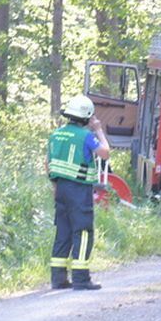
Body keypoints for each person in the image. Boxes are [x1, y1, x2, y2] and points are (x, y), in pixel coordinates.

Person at [46, 95, 111, 290]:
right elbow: (105, 153)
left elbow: (47, 163)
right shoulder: (86, 136)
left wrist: (55, 187)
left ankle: (58, 279)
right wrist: (98, 129)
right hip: (79, 190)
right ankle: (81, 279)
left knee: (63, 232)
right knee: (82, 232)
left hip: (60, 189)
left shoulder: (56, 134)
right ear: (87, 117)